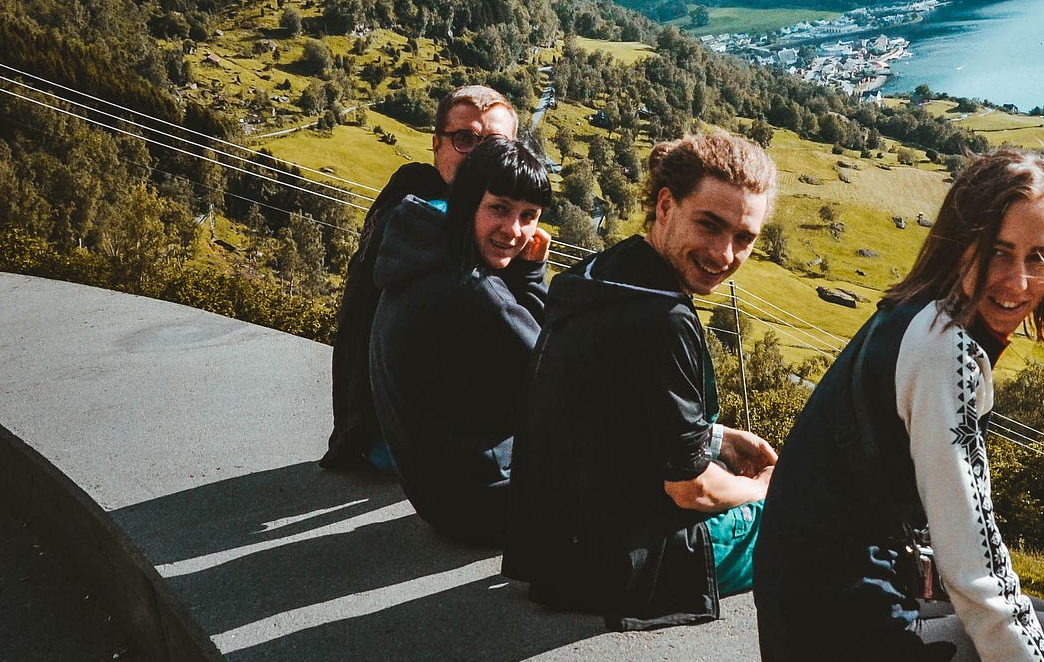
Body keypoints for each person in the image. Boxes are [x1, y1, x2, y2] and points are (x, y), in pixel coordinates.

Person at [753, 148, 1044, 662]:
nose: (1017, 282)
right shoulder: (944, 352)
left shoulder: (911, 314)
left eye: (1040, 258)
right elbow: (974, 551)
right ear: (963, 242)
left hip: (798, 634)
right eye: (998, 252)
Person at [505, 128, 779, 628]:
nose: (724, 254)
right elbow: (690, 489)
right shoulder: (664, 320)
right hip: (618, 561)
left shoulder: (601, 273)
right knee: (814, 520)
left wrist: (717, 438)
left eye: (744, 238)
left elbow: (611, 410)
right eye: (710, 225)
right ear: (666, 206)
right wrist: (766, 488)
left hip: (551, 542)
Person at [321, 84, 518, 471]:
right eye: (465, 139)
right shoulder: (436, 219)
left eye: (493, 145)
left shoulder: (406, 191)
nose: (478, 155)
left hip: (371, 424)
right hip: (408, 443)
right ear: (437, 145)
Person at [368, 137, 552, 546]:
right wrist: (533, 275)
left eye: (529, 215)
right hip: (489, 504)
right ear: (468, 201)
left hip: (438, 496)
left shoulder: (423, 249)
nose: (514, 231)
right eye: (499, 209)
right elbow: (559, 368)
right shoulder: (474, 291)